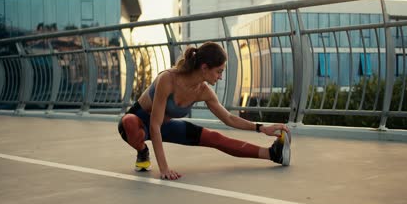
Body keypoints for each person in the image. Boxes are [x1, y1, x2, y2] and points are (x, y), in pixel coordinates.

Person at [118, 41, 290, 180]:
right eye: (219, 72)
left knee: (215, 137)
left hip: (164, 126)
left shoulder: (204, 92)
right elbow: (154, 125)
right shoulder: (168, 79)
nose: (220, 77)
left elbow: (229, 118)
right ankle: (142, 151)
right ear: (205, 68)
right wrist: (164, 168)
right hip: (140, 124)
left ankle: (272, 154)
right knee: (129, 121)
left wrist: (261, 128)